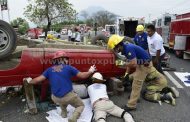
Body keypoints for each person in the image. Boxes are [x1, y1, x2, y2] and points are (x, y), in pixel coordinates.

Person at [107, 35, 178, 111]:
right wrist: (126, 74)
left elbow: (133, 63)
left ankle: (131, 105)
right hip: (142, 64)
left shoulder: (128, 49)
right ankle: (136, 97)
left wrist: (122, 64)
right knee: (134, 80)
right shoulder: (126, 48)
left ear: (118, 45)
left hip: (144, 65)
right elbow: (130, 61)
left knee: (136, 85)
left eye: (114, 48)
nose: (115, 50)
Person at [24, 51, 96, 122]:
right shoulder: (69, 68)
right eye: (66, 59)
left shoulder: (49, 70)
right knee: (80, 105)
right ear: (63, 59)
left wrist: (30, 81)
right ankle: (74, 118)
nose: (67, 61)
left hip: (55, 98)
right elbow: (83, 76)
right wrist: (90, 71)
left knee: (62, 99)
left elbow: (37, 80)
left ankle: (63, 113)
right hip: (68, 97)